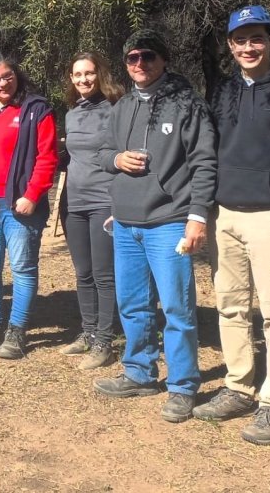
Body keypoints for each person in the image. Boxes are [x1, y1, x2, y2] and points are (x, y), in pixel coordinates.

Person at [93, 29, 217, 424]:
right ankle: (140, 372)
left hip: (169, 220)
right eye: (132, 58)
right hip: (127, 222)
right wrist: (116, 161)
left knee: (178, 309)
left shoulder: (187, 104)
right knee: (133, 304)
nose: (140, 64)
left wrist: (197, 216)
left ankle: (182, 386)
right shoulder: (122, 105)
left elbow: (204, 162)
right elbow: (102, 152)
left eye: (147, 56)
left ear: (163, 60)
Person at [192, 5, 270, 445]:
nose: (249, 47)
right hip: (225, 215)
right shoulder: (222, 91)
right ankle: (240, 387)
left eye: (257, 37)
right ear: (230, 45)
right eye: (240, 40)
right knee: (230, 306)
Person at [0, 53, 58, 360]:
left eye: (7, 76)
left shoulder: (35, 109)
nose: (2, 84)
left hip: (19, 205)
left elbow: (47, 157)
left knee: (22, 268)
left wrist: (32, 194)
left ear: (16, 75)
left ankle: (16, 332)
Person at [59, 51, 123, 368]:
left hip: (104, 202)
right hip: (73, 203)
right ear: (71, 79)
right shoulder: (71, 113)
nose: (83, 79)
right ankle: (87, 332)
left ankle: (105, 342)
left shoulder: (116, 108)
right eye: (77, 74)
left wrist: (120, 204)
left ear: (100, 74)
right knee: (83, 274)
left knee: (103, 275)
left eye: (89, 73)